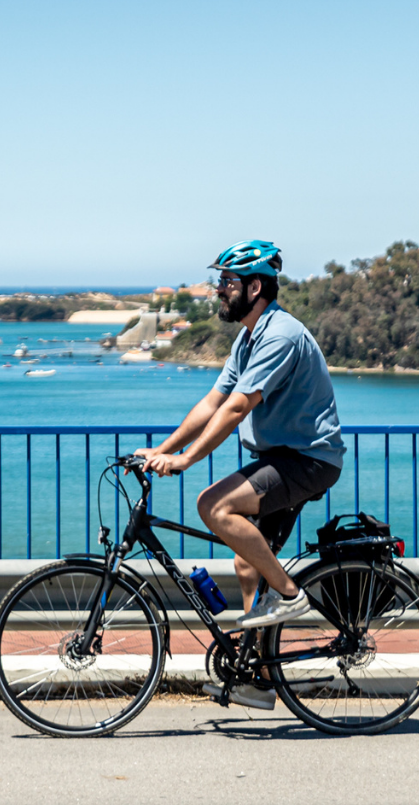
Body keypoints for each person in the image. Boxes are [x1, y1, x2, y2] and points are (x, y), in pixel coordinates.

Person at [133, 240, 345, 711]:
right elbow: (212, 401)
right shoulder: (248, 337)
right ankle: (262, 679)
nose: (219, 290)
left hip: (308, 460)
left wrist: (187, 460)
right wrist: (163, 450)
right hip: (282, 456)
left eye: (228, 282)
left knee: (213, 505)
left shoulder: (280, 336)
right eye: (220, 281)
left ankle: (289, 595)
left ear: (255, 287)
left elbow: (235, 408)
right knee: (248, 563)